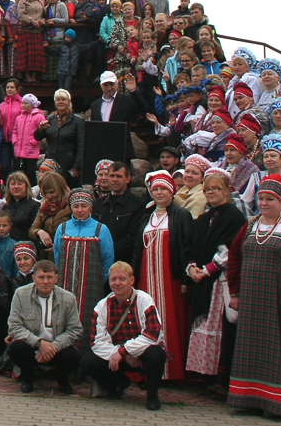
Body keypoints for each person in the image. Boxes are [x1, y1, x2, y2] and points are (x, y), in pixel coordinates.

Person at [225, 174, 281, 419]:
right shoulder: (250, 225)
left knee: (279, 348)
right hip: (252, 299)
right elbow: (234, 257)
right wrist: (235, 292)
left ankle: (279, 402)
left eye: (270, 199)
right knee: (252, 347)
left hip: (280, 300)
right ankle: (249, 398)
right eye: (261, 199)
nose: (264, 203)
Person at [184, 167, 245, 386]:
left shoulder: (234, 217)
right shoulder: (203, 218)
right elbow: (190, 247)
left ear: (226, 191)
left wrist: (208, 270)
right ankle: (202, 377)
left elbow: (230, 249)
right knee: (201, 326)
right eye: (207, 189)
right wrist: (191, 268)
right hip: (202, 282)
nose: (211, 193)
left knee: (220, 329)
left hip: (221, 280)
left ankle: (220, 379)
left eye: (215, 189)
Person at [131, 170, 192, 381]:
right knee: (146, 318)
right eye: (155, 189)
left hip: (170, 278)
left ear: (172, 191)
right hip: (146, 277)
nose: (159, 193)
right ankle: (148, 370)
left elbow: (186, 248)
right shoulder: (146, 217)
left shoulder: (181, 215)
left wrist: (185, 278)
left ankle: (171, 371)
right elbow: (137, 249)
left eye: (163, 189)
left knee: (170, 319)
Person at [80, 262, 167, 410]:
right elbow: (96, 341)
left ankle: (152, 396)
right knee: (87, 361)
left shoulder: (144, 300)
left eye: (122, 279)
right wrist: (122, 354)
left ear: (132, 280)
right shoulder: (102, 306)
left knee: (157, 354)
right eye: (113, 279)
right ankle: (118, 384)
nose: (117, 283)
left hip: (141, 354)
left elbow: (152, 334)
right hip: (118, 356)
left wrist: (126, 351)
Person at [6, 258, 82, 394]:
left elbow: (75, 330)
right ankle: (27, 378)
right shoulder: (20, 294)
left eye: (49, 277)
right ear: (34, 278)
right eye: (41, 277)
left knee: (73, 355)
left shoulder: (68, 298)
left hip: (57, 348)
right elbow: (14, 326)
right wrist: (39, 344)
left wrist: (53, 347)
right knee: (16, 348)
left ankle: (62, 380)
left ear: (56, 278)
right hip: (31, 347)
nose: (45, 282)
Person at [53, 188, 114, 352]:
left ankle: (87, 355)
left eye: (84, 206)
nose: (80, 210)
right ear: (71, 208)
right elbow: (57, 255)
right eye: (76, 206)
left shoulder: (101, 230)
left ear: (90, 208)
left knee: (89, 320)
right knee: (64, 317)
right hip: (65, 284)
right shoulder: (62, 229)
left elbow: (108, 259)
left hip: (91, 286)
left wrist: (99, 281)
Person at [92, 161, 145, 267]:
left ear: (128, 179)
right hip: (98, 261)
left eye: (119, 176)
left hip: (123, 262)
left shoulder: (137, 205)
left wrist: (109, 252)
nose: (115, 179)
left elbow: (132, 237)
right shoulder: (98, 204)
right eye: (112, 176)